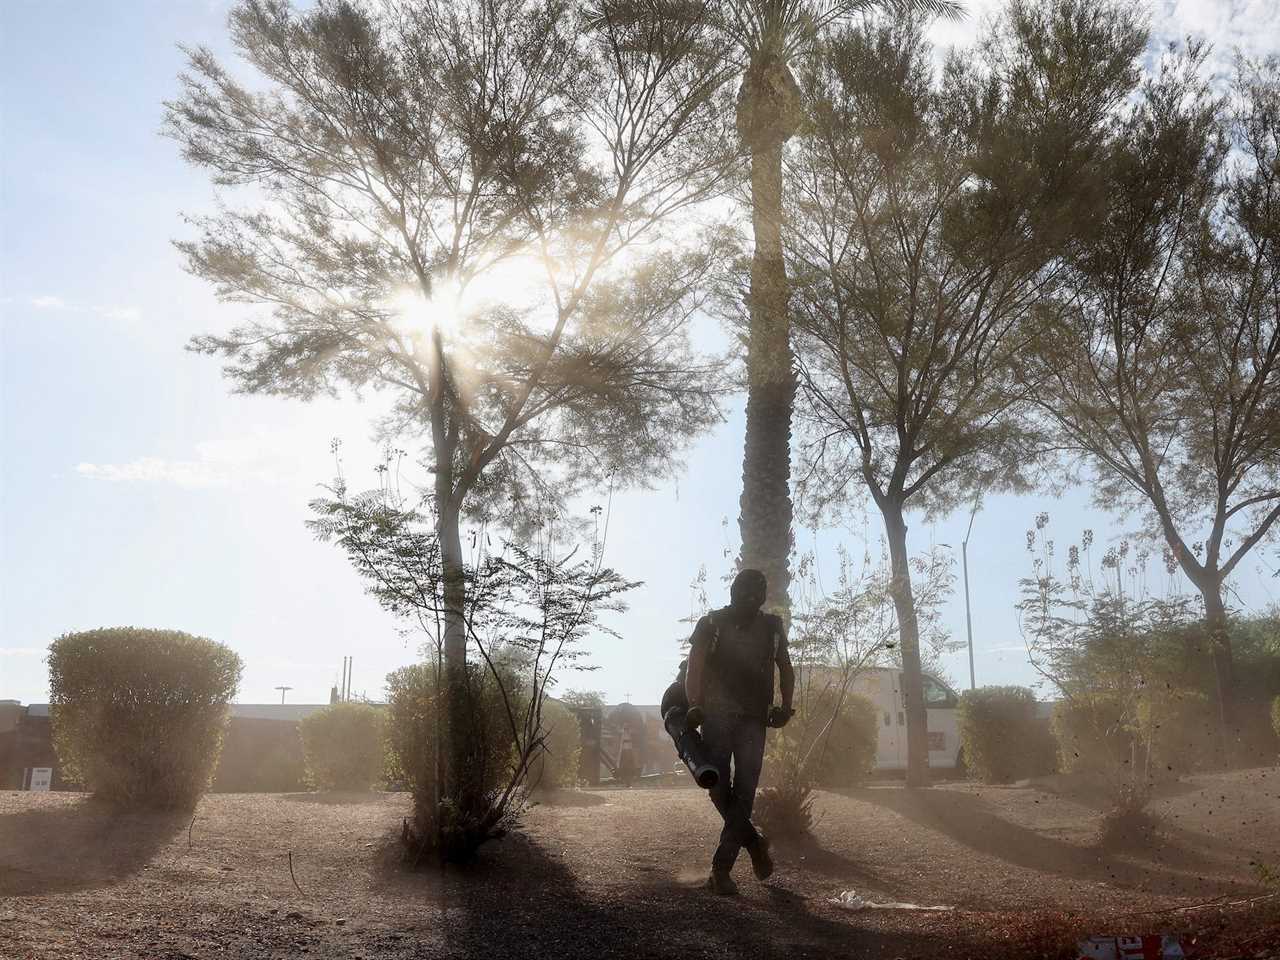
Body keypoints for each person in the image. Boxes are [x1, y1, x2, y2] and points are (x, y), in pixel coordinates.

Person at [684, 568, 795, 895]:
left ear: (761, 596)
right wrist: (693, 704)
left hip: (752, 720)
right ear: (734, 591)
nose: (750, 597)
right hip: (718, 717)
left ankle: (721, 870)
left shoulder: (771, 627)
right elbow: (695, 664)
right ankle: (754, 843)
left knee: (740, 791)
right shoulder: (712, 623)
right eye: (746, 591)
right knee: (719, 786)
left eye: (756, 592)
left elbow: (785, 667)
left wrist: (786, 707)